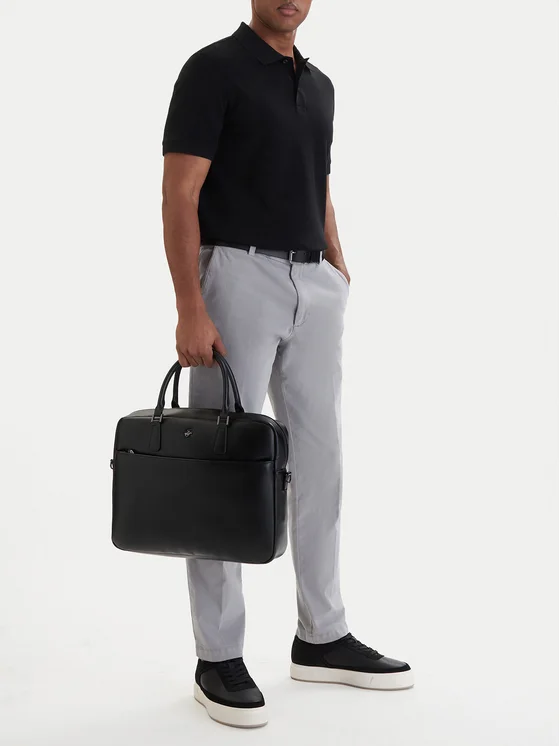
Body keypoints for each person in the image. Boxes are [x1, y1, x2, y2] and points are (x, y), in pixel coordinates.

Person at [161, 0, 413, 728]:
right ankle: (217, 655)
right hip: (237, 275)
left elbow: (316, 178)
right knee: (222, 463)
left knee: (321, 457)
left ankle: (322, 634)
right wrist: (190, 306)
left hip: (314, 282)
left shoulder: (320, 85)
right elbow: (180, 191)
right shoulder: (212, 69)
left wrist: (335, 257)